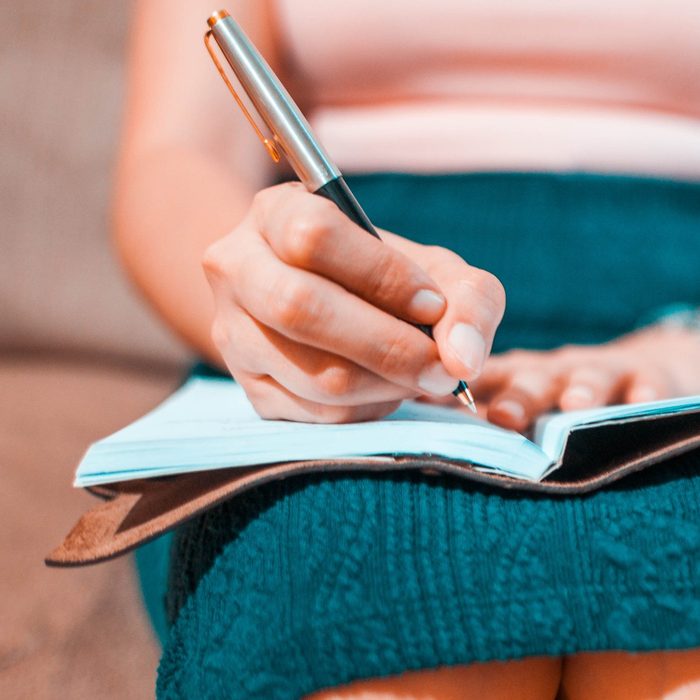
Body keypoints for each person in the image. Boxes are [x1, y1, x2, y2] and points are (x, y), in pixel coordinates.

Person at [113, 1, 700, 697]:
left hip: (682, 347)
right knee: (366, 649)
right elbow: (176, 156)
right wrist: (271, 295)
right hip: (337, 355)